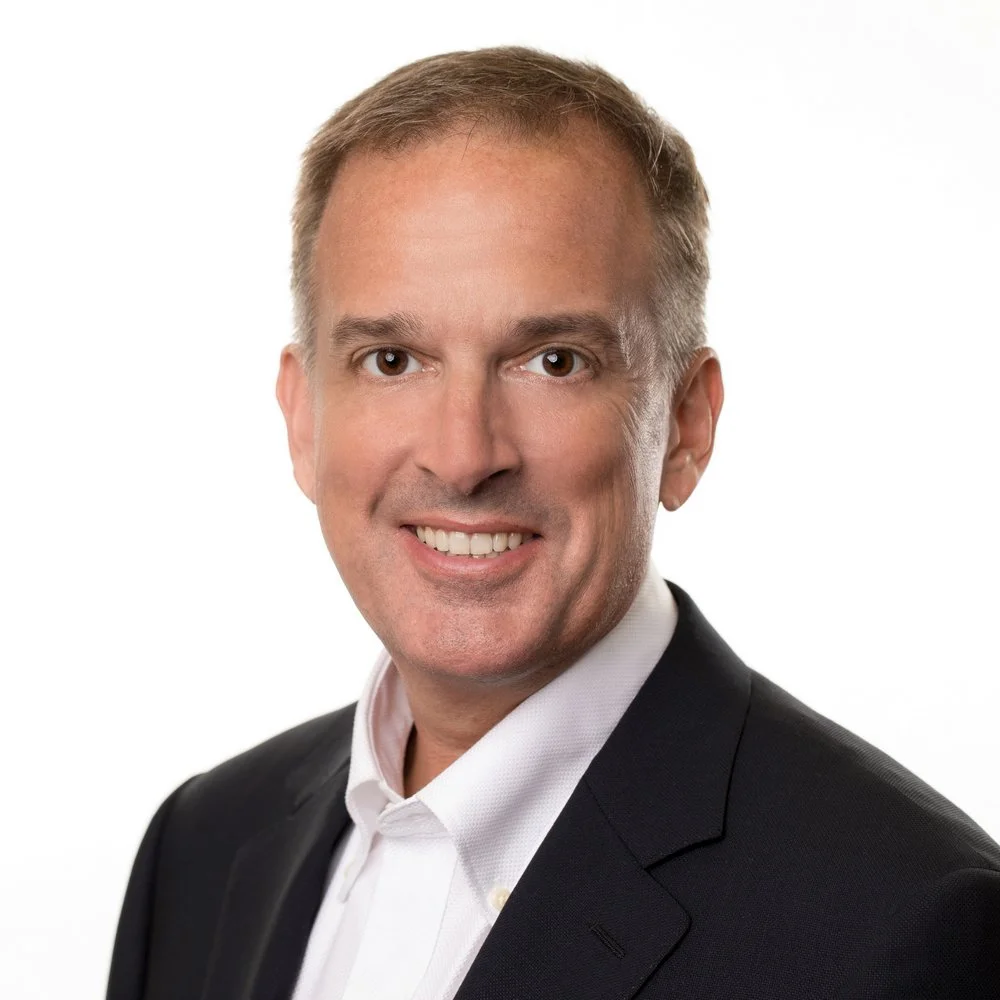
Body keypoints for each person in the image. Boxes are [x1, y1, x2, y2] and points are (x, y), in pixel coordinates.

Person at [106, 46, 1000, 1000]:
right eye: (393, 360)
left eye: (555, 361)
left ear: (686, 427)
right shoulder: (200, 851)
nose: (463, 454)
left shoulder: (905, 931)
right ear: (303, 417)